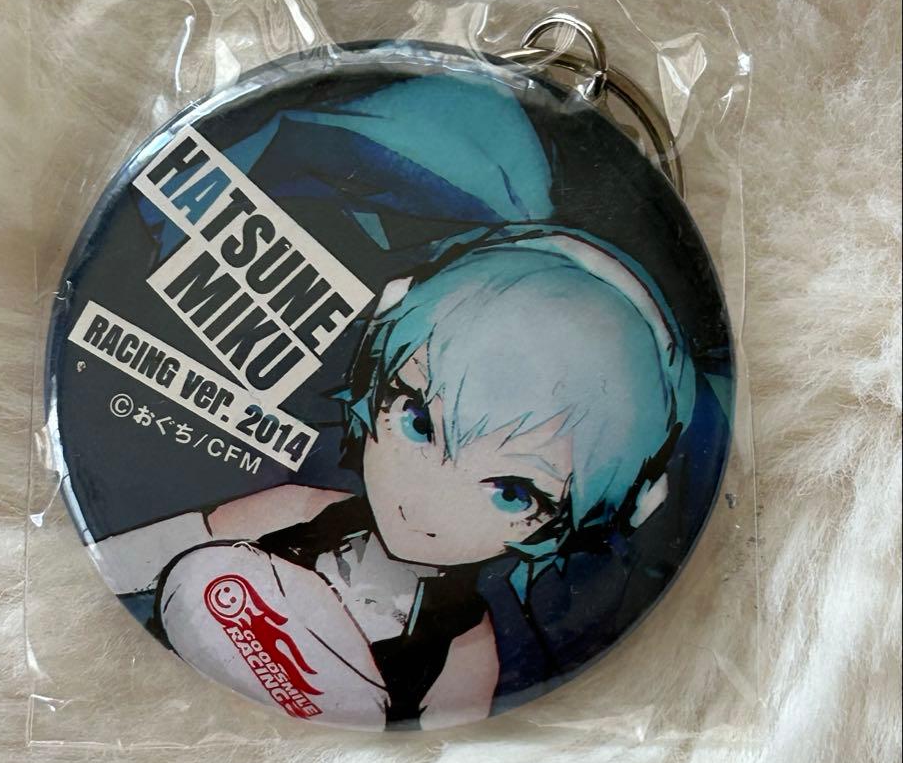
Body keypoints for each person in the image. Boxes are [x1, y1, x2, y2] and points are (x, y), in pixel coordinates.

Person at [91, 224, 695, 730]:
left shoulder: (463, 646)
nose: (423, 503)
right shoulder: (303, 509)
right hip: (160, 685)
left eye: (513, 493)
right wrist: (88, 595)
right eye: (417, 421)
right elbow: (125, 562)